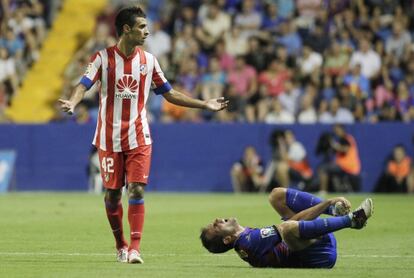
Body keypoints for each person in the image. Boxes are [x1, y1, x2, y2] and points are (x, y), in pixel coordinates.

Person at [59, 6, 228, 264]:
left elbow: (170, 93)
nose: (146, 31)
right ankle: (121, 245)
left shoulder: (149, 61)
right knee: (113, 194)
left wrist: (204, 104)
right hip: (108, 138)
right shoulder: (102, 58)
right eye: (141, 27)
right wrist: (73, 102)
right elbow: (83, 85)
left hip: (139, 137)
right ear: (126, 29)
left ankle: (135, 249)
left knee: (136, 190)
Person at [200, 188, 373, 268]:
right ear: (227, 239)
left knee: (276, 196)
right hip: (318, 256)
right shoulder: (249, 241)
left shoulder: (244, 240)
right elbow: (286, 227)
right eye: (215, 226)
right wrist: (326, 201)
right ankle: (351, 220)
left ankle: (334, 210)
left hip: (312, 240)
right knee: (288, 229)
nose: (216, 220)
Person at [317, 124, 361, 193]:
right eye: (335, 131)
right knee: (330, 170)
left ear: (342, 130)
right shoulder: (341, 140)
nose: (336, 132)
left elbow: (345, 149)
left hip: (347, 167)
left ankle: (323, 191)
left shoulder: (346, 138)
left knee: (323, 168)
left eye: (337, 130)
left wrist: (333, 144)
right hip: (344, 167)